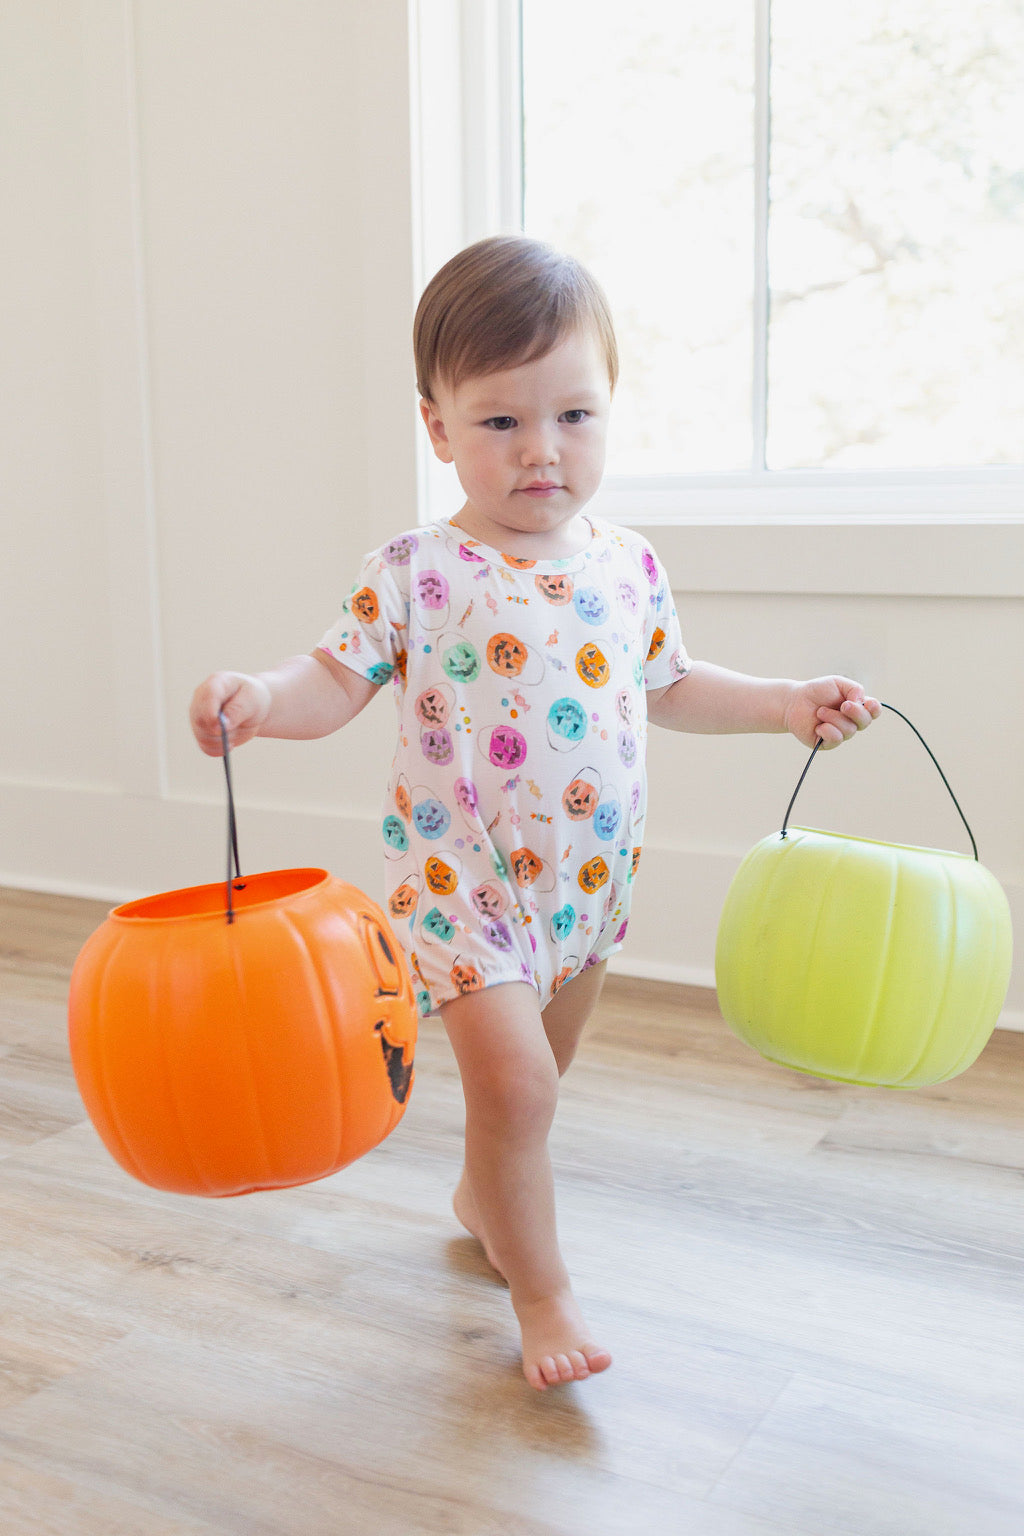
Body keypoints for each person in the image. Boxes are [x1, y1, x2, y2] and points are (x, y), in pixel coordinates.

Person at [190, 235, 880, 1391]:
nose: (540, 451)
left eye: (573, 416)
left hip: (588, 892)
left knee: (534, 1097)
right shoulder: (413, 569)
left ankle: (482, 1194)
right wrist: (260, 699)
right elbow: (335, 679)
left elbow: (669, 686)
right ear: (437, 427)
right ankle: (543, 1290)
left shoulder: (627, 566)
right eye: (500, 422)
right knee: (517, 1088)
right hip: (462, 888)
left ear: (608, 415)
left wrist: (780, 705)